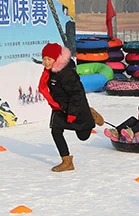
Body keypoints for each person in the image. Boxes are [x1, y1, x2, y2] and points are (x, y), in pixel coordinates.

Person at [39, 43, 104, 172]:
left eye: (49, 59)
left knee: (83, 136)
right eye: (44, 58)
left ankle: (91, 116)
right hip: (61, 108)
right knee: (55, 130)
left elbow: (77, 94)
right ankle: (67, 161)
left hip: (76, 107)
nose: (46, 62)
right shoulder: (50, 72)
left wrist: (72, 113)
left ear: (57, 59)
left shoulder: (66, 74)